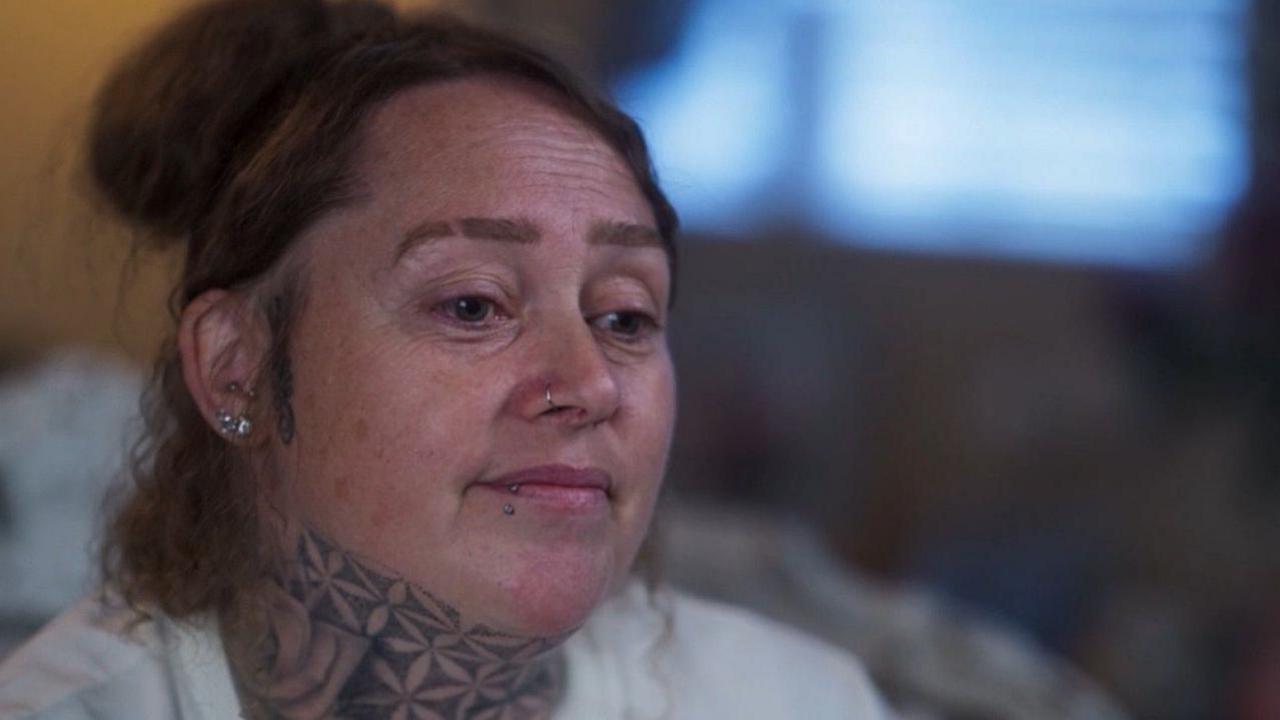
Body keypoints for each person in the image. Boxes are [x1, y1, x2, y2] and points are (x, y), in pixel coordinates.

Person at [0, 1, 886, 717]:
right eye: (472, 305)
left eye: (624, 316)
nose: (590, 384)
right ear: (238, 365)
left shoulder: (794, 699)